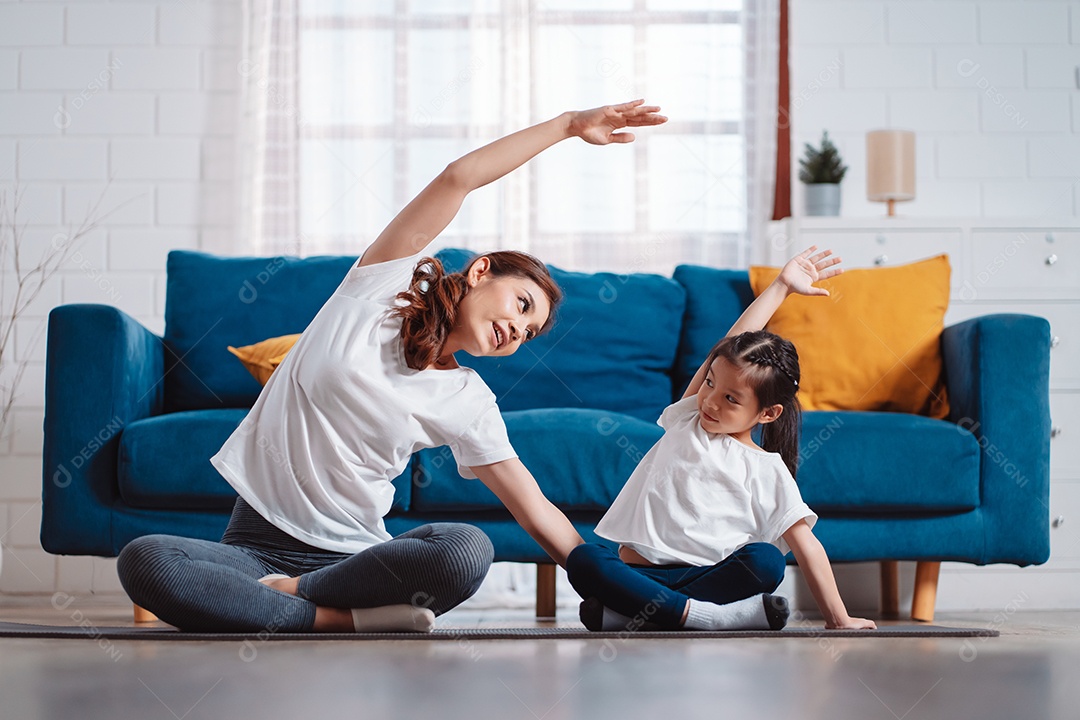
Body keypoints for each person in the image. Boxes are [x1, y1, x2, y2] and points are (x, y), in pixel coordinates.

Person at [117, 100, 668, 633]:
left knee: (466, 550)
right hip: (254, 549)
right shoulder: (378, 288)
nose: (515, 332)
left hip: (358, 566)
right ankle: (337, 622)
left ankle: (302, 606)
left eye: (526, 334)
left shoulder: (469, 400)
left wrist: (615, 586)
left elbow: (532, 507)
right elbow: (459, 178)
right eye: (520, 306)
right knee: (147, 561)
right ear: (480, 272)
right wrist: (569, 124)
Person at [566, 246, 878, 632]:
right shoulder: (690, 418)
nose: (711, 400)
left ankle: (636, 614)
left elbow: (806, 544)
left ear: (767, 413)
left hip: (713, 579)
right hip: (644, 575)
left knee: (767, 560)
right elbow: (729, 344)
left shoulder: (768, 469)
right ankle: (707, 617)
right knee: (584, 560)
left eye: (731, 399)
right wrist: (780, 286)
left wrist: (838, 618)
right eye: (710, 384)